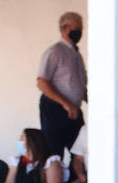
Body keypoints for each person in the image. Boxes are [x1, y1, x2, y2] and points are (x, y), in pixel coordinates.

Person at [36, 11, 86, 158]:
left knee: (79, 151)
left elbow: (79, 84)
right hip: (56, 107)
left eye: (81, 29)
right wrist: (65, 104)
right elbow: (42, 83)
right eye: (77, 28)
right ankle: (54, 181)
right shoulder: (55, 52)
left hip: (74, 108)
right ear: (65, 29)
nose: (79, 32)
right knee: (54, 152)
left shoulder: (76, 54)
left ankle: (75, 180)